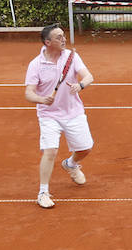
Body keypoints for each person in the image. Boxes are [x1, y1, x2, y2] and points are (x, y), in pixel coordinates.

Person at [23, 24, 94, 209]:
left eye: (63, 36)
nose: (63, 39)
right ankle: (43, 192)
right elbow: (29, 93)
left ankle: (71, 164)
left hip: (73, 112)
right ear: (48, 42)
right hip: (48, 115)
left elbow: (88, 76)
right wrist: (40, 99)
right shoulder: (35, 64)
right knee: (50, 151)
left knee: (86, 149)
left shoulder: (71, 56)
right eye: (58, 37)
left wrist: (81, 85)